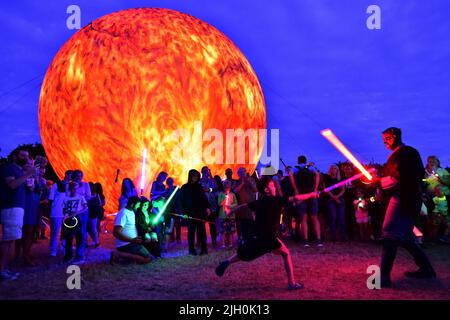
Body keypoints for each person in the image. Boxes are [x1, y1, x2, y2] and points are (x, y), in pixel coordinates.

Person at [215, 175, 318, 290]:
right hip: (269, 237)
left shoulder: (260, 202)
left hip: (258, 235)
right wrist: (311, 194)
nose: (275, 187)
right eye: (272, 185)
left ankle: (227, 262)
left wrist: (231, 211)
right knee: (286, 254)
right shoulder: (277, 200)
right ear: (266, 189)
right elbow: (296, 198)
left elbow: (244, 206)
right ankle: (292, 283)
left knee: (246, 253)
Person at [377, 127, 436, 288]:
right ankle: (426, 269)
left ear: (395, 136)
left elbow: (401, 178)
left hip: (404, 198)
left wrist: (378, 182)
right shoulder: (397, 155)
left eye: (387, 138)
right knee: (407, 237)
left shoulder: (407, 153)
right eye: (383, 139)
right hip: (404, 198)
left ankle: (383, 278)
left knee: (389, 233)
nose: (385, 142)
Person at [0, 148, 35, 281]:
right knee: (7, 240)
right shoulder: (9, 168)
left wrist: (29, 182)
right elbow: (12, 185)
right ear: (14, 157)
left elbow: (20, 185)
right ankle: (2, 270)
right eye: (22, 156)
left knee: (12, 239)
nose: (26, 158)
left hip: (18, 207)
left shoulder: (19, 171)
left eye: (27, 156)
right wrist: (27, 174)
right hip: (10, 207)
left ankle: (5, 269)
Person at [17, 157, 46, 266]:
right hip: (25, 205)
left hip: (34, 206)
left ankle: (26, 254)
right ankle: (20, 255)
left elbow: (38, 190)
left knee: (31, 232)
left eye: (32, 163)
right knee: (23, 232)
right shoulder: (20, 175)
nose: (31, 165)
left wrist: (37, 180)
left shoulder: (35, 176)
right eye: (29, 163)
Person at [293, 155, 323, 247]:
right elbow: (318, 174)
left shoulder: (296, 168)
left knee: (304, 218)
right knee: (314, 217)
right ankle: (318, 240)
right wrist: (315, 188)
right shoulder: (310, 167)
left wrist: (296, 189)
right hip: (312, 194)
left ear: (298, 161)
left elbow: (290, 176)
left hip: (302, 194)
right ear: (306, 161)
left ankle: (305, 240)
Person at [112, 196, 152, 264]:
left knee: (149, 256)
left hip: (132, 242)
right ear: (132, 204)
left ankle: (126, 258)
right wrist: (132, 240)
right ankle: (118, 254)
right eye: (138, 205)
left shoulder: (132, 212)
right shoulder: (123, 213)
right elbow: (116, 233)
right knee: (147, 258)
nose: (138, 207)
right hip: (126, 244)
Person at [180, 169, 211, 255]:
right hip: (190, 213)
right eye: (194, 176)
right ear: (190, 176)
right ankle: (191, 249)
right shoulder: (185, 187)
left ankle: (204, 249)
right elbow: (181, 201)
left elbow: (204, 198)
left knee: (202, 231)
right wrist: (183, 213)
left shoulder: (199, 187)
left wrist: (207, 207)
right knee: (191, 232)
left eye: (197, 176)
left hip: (200, 213)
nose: (195, 177)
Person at [61, 182, 87, 264]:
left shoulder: (80, 197)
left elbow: (85, 208)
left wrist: (77, 213)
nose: (74, 190)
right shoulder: (66, 198)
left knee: (79, 237)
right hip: (68, 219)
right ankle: (68, 256)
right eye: (72, 188)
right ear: (69, 189)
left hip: (77, 218)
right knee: (68, 238)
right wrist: (65, 214)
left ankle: (79, 256)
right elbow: (64, 209)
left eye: (76, 188)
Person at [48, 170, 72, 257]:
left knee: (66, 231)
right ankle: (53, 249)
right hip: (56, 211)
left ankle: (63, 247)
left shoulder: (71, 186)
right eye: (70, 174)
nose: (71, 176)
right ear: (66, 174)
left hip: (67, 212)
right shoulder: (56, 184)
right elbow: (50, 198)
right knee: (55, 231)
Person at [233, 167, 258, 245]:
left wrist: (249, 183)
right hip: (241, 206)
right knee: (242, 224)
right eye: (241, 172)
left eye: (244, 172)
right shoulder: (236, 182)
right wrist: (242, 183)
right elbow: (235, 191)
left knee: (251, 222)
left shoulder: (251, 180)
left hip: (250, 205)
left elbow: (255, 190)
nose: (242, 173)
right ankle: (242, 238)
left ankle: (252, 238)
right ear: (238, 174)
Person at [323, 164, 346, 241]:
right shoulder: (327, 179)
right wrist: (334, 197)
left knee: (341, 218)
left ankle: (342, 236)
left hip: (340, 200)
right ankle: (333, 236)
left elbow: (343, 189)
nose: (333, 170)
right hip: (330, 200)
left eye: (335, 168)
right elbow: (326, 190)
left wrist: (337, 197)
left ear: (337, 170)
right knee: (333, 217)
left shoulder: (340, 179)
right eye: (332, 168)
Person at [72, 170, 91, 261]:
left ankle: (80, 254)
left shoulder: (85, 185)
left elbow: (89, 197)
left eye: (80, 176)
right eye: (77, 175)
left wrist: (79, 198)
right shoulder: (70, 185)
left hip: (82, 211)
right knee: (72, 231)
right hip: (72, 211)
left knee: (82, 231)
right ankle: (71, 252)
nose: (79, 177)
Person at [199, 167, 219, 246]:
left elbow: (215, 188)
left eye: (208, 171)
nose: (207, 172)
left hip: (212, 205)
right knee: (201, 224)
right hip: (202, 206)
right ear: (202, 172)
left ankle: (214, 240)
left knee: (212, 223)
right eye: (206, 171)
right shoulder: (199, 181)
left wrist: (209, 189)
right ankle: (201, 241)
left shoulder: (212, 180)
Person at [218, 180, 238, 248]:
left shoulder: (233, 194)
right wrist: (224, 199)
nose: (227, 189)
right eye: (226, 187)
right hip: (223, 215)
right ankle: (223, 244)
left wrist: (231, 206)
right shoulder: (221, 194)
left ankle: (231, 244)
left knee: (230, 230)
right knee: (223, 231)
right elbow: (219, 204)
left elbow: (235, 203)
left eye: (228, 187)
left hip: (231, 215)